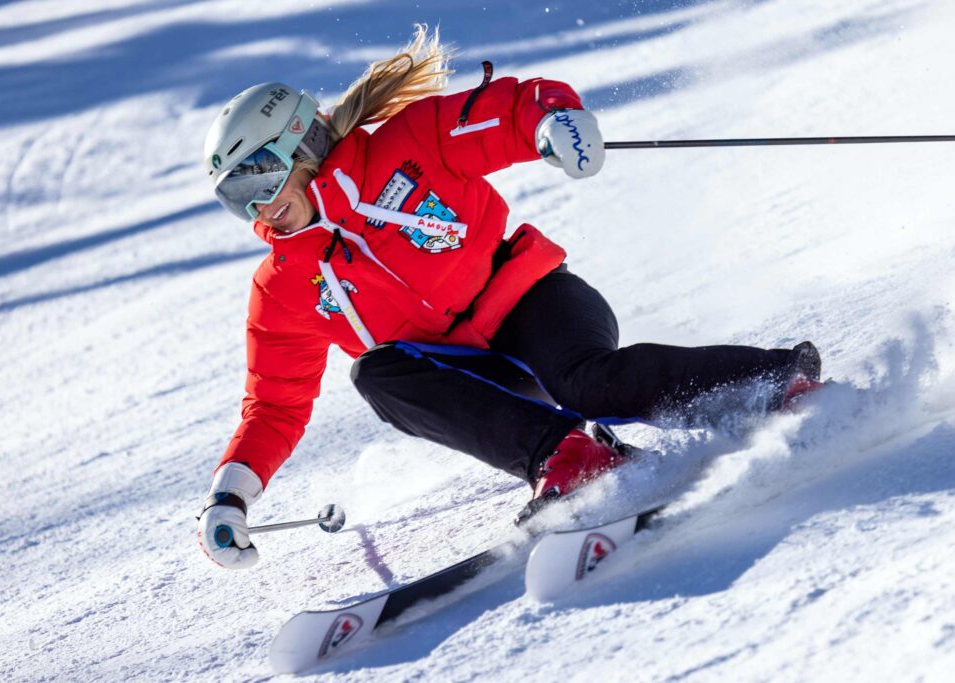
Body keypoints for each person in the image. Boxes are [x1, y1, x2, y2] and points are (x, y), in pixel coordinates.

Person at [196, 26, 822, 570]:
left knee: (586, 383)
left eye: (260, 175)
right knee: (376, 373)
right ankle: (568, 458)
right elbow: (275, 405)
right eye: (234, 197)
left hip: (532, 297)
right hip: (475, 373)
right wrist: (231, 495)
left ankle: (769, 382)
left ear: (303, 144)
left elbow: (512, 107)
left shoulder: (409, 143)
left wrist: (553, 121)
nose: (257, 205)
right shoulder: (284, 287)